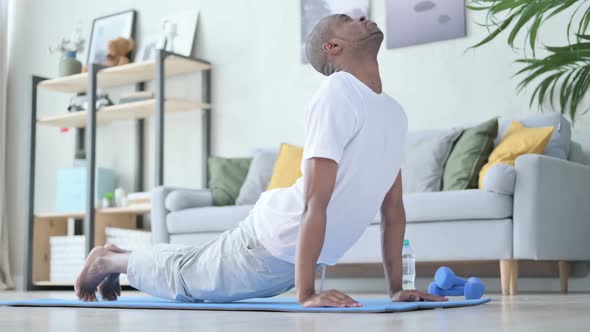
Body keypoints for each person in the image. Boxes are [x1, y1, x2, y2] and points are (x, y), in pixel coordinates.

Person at [75, 14, 447, 307]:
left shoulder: (394, 112)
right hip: (270, 246)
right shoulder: (338, 92)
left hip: (289, 256)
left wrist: (398, 289)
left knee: (197, 262)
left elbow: (393, 210)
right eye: (348, 20)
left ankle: (117, 256)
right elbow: (314, 202)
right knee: (188, 278)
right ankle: (108, 263)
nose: (362, 17)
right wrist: (306, 294)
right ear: (333, 46)